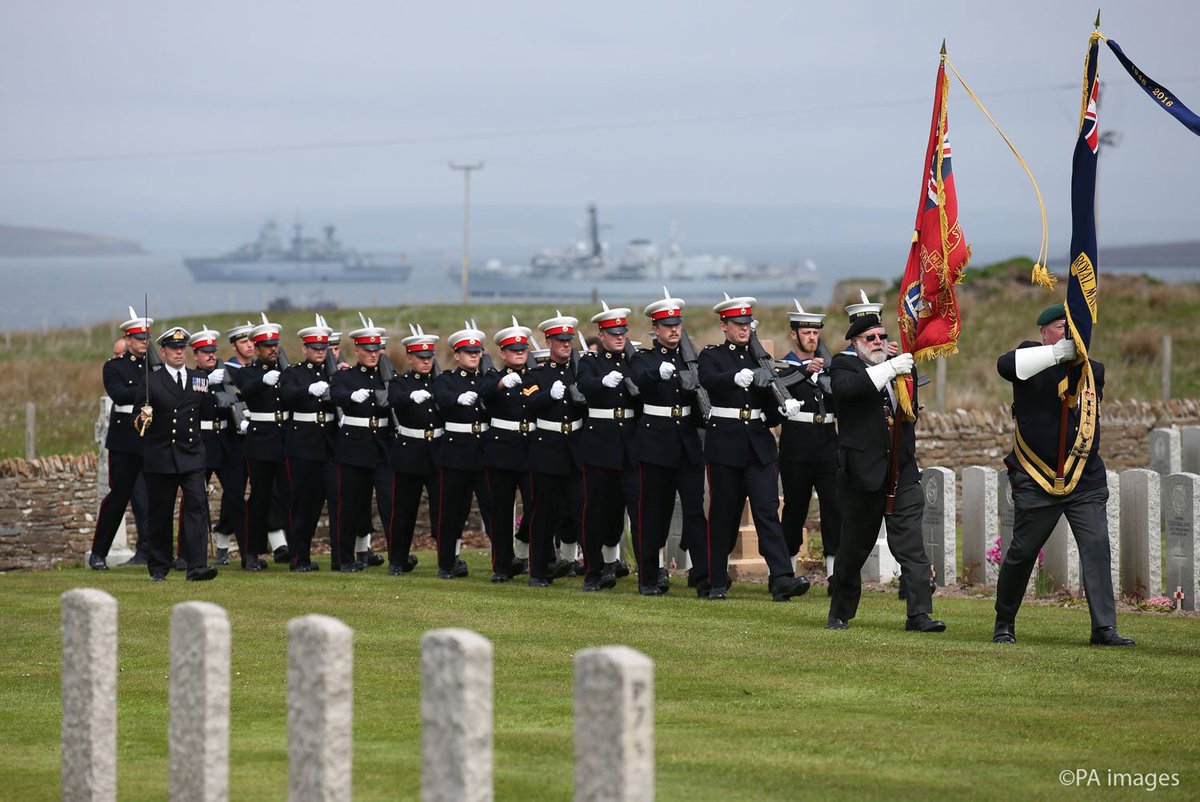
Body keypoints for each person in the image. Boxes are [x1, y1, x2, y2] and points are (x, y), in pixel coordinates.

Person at [993, 303, 1134, 646]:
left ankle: (1103, 628)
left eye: (1072, 327)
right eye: (1060, 326)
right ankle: (1004, 621)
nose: (1068, 333)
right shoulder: (1029, 358)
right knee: (1023, 551)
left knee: (1097, 546)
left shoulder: (1092, 370)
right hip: (1037, 476)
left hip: (1084, 477)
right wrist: (1057, 353)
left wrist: (1073, 360)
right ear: (1044, 332)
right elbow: (1005, 365)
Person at [826, 291, 944, 632]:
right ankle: (840, 613)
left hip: (901, 471)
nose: (877, 341)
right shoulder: (844, 365)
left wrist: (899, 368)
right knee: (853, 550)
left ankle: (919, 614)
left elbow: (908, 414)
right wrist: (890, 366)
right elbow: (849, 391)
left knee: (912, 547)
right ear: (856, 342)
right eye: (870, 338)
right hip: (862, 475)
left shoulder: (900, 369)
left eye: (881, 336)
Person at [697, 295, 809, 602]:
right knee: (724, 514)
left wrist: (783, 409)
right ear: (724, 325)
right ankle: (716, 578)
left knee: (767, 512)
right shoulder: (712, 355)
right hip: (725, 446)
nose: (744, 329)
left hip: (758, 446)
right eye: (738, 324)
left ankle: (781, 578)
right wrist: (733, 378)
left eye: (747, 323)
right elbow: (706, 380)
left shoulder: (760, 360)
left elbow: (766, 407)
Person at [629, 291, 708, 595]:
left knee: (694, 512)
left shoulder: (691, 356)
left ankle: (703, 577)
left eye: (677, 324)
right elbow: (637, 379)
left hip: (687, 442)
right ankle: (649, 577)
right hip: (655, 442)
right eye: (667, 325)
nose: (674, 330)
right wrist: (655, 374)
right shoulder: (644, 358)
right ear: (655, 329)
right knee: (653, 514)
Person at [132, 326, 217, 582]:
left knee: (197, 508)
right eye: (173, 349)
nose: (179, 353)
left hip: (191, 454)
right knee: (160, 513)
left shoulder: (199, 379)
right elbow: (136, 421)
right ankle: (159, 566)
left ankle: (196, 566)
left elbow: (206, 414)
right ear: (163, 351)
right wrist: (143, 418)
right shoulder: (151, 381)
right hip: (162, 455)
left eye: (182, 348)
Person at [576, 302, 641, 592]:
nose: (619, 337)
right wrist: (603, 381)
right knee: (595, 509)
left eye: (622, 332)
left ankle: (630, 567)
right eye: (613, 333)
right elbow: (584, 385)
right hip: (599, 442)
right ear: (601, 335)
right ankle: (593, 570)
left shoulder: (633, 360)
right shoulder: (590, 362)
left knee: (627, 509)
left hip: (629, 442)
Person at [777, 301, 842, 583]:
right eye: (806, 333)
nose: (812, 338)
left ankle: (834, 571)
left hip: (828, 443)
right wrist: (804, 371)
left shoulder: (829, 368)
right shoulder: (785, 368)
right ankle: (785, 569)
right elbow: (779, 387)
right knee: (795, 508)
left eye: (816, 333)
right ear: (794, 335)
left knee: (833, 507)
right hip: (797, 446)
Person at [524, 313, 587, 587]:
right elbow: (527, 404)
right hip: (548, 450)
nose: (565, 344)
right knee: (544, 514)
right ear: (549, 341)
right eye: (560, 340)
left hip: (574, 448)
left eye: (568, 340)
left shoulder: (579, 370)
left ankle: (586, 567)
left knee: (581, 509)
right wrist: (547, 396)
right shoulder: (537, 374)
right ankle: (539, 571)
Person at [89, 307, 154, 570]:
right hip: (126, 440)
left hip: (150, 437)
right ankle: (98, 553)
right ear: (128, 340)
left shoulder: (156, 365)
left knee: (153, 497)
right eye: (139, 339)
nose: (144, 343)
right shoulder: (114, 366)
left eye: (147, 338)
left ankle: (153, 551)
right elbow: (120, 395)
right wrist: (148, 386)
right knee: (118, 498)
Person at [330, 317, 394, 573]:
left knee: (390, 504)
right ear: (357, 349)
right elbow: (336, 395)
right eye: (367, 350)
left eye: (377, 350)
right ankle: (345, 559)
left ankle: (397, 558)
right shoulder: (346, 377)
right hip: (355, 448)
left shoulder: (388, 378)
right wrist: (349, 397)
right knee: (350, 506)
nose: (372, 354)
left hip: (382, 448)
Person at [431, 323, 492, 579]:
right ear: (457, 355)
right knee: (452, 512)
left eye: (477, 352)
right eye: (468, 352)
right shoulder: (447, 379)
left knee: (492, 509)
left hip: (483, 452)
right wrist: (457, 398)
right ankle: (448, 562)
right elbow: (440, 395)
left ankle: (502, 561)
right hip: (456, 452)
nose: (474, 356)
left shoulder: (488, 379)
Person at [279, 317, 339, 573]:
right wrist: (308, 390)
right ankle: (299, 557)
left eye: (323, 348)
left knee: (333, 501)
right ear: (304, 348)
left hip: (330, 446)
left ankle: (340, 559)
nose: (319, 352)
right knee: (303, 504)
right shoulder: (294, 373)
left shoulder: (335, 373)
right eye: (315, 348)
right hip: (303, 445)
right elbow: (287, 394)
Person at [479, 317, 536, 582]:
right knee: (500, 511)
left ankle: (525, 552)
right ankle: (502, 565)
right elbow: (485, 392)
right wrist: (503, 384)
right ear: (503, 353)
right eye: (514, 350)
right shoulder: (494, 378)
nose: (520, 354)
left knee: (535, 506)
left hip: (530, 449)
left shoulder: (535, 377)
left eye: (523, 350)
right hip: (501, 451)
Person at [188, 326, 248, 568]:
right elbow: (188, 403)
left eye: (213, 351)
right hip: (202, 441)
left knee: (236, 498)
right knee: (195, 502)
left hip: (226, 439)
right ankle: (188, 556)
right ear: (196, 355)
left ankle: (248, 554)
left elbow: (238, 398)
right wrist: (203, 382)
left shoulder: (226, 377)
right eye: (205, 352)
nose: (211, 356)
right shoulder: (192, 378)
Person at [233, 315, 289, 571]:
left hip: (285, 438)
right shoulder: (248, 373)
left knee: (289, 496)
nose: (272, 349)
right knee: (259, 498)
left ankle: (293, 550)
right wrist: (261, 382)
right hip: (262, 439)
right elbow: (244, 390)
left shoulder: (287, 371)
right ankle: (251, 552)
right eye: (267, 346)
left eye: (275, 344)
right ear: (256, 348)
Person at [384, 325, 442, 576]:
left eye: (430, 358)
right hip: (410, 452)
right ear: (409, 358)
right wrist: (411, 397)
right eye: (421, 358)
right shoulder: (400, 382)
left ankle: (448, 560)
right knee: (404, 511)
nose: (426, 362)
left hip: (437, 451)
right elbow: (394, 399)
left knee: (442, 510)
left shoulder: (442, 381)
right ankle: (398, 560)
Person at [209, 321, 254, 563]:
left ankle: (237, 547)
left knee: (236, 495)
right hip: (233, 439)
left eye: (251, 341)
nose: (249, 346)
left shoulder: (258, 368)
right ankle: (225, 547)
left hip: (257, 436)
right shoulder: (226, 372)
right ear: (235, 346)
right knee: (234, 493)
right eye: (244, 342)